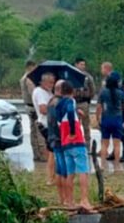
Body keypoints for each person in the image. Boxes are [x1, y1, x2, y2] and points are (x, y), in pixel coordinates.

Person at [56, 81, 91, 209]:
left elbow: (61, 120)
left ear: (61, 92)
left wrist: (77, 113)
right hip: (76, 140)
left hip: (65, 143)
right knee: (83, 171)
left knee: (70, 173)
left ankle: (70, 202)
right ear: (73, 91)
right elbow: (70, 111)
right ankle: (84, 200)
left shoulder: (58, 105)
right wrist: (72, 131)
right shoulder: (71, 101)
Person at [96, 72, 124, 170]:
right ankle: (117, 165)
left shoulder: (103, 92)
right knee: (117, 144)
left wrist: (98, 118)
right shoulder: (120, 93)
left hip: (106, 119)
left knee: (104, 144)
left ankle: (103, 165)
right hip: (117, 119)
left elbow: (99, 106)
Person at [47, 80, 69, 204]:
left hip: (53, 139)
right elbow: (63, 123)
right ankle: (67, 199)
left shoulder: (51, 101)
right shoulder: (61, 103)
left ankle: (62, 198)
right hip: (62, 139)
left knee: (59, 170)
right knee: (65, 171)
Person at [20, 60, 46, 162]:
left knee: (33, 130)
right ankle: (41, 154)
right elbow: (34, 93)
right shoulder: (29, 79)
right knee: (38, 131)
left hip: (28, 106)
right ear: (30, 67)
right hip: (33, 107)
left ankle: (36, 153)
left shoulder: (23, 77)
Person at [33, 72, 56, 185]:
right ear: (43, 82)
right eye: (50, 82)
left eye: (53, 82)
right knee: (52, 151)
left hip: (50, 124)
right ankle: (50, 178)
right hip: (46, 124)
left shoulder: (49, 92)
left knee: (52, 151)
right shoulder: (39, 92)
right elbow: (43, 109)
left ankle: (53, 175)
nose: (52, 85)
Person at [74, 58, 96, 150]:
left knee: (86, 125)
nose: (83, 66)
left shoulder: (87, 77)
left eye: (84, 64)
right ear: (76, 64)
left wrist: (88, 99)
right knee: (74, 125)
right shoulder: (71, 75)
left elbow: (92, 89)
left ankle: (87, 145)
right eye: (81, 64)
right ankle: (75, 144)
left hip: (84, 102)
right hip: (74, 102)